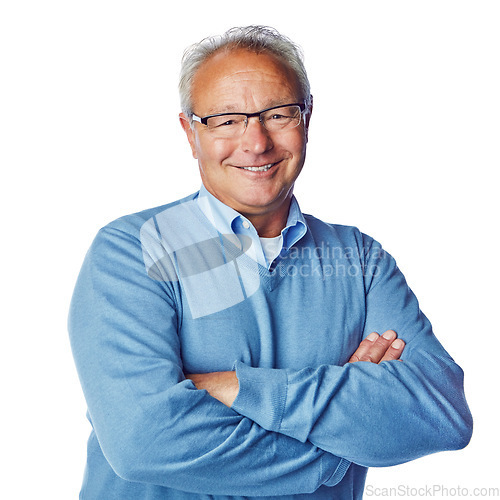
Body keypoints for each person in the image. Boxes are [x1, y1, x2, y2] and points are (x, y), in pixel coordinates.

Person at [69, 25, 472, 499]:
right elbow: (144, 441)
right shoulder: (133, 250)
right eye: (226, 120)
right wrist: (335, 451)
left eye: (278, 115)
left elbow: (442, 413)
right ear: (189, 131)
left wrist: (240, 388)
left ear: (307, 118)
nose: (256, 142)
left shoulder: (361, 262)